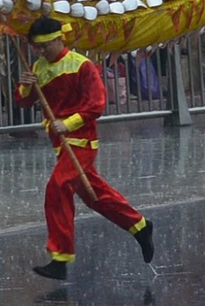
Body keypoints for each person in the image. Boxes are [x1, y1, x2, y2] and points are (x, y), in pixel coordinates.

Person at [14, 15, 154, 280]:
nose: (41, 52)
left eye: (45, 46)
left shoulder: (82, 65)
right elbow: (23, 102)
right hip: (60, 144)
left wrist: (68, 124)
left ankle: (60, 257)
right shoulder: (38, 67)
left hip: (82, 142)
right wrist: (25, 87)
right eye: (37, 47)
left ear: (59, 39)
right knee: (94, 196)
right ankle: (139, 225)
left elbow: (96, 104)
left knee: (57, 187)